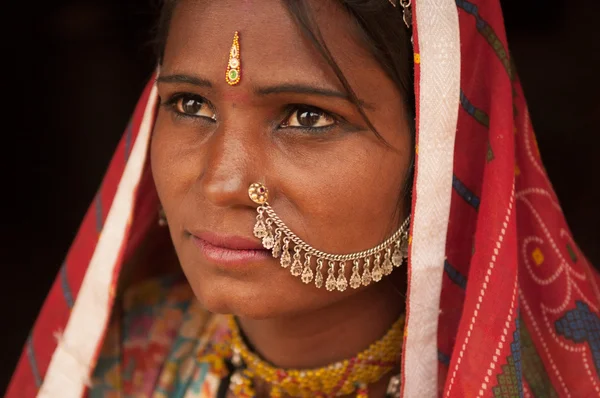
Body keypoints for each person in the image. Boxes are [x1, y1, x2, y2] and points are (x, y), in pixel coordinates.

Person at [7, 0, 600, 397]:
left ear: (440, 151)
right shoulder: (119, 351)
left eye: (307, 116)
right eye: (190, 105)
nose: (221, 182)